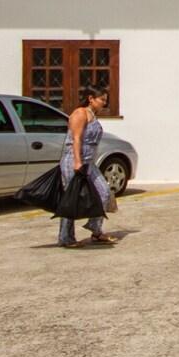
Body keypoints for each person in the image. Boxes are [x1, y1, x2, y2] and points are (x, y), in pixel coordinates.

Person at [57, 85, 114, 248]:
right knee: (71, 199)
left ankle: (95, 230)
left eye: (105, 100)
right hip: (74, 161)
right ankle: (65, 237)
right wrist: (77, 161)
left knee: (104, 193)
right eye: (101, 99)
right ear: (91, 99)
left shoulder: (93, 116)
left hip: (89, 163)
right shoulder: (80, 113)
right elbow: (76, 139)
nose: (104, 103)